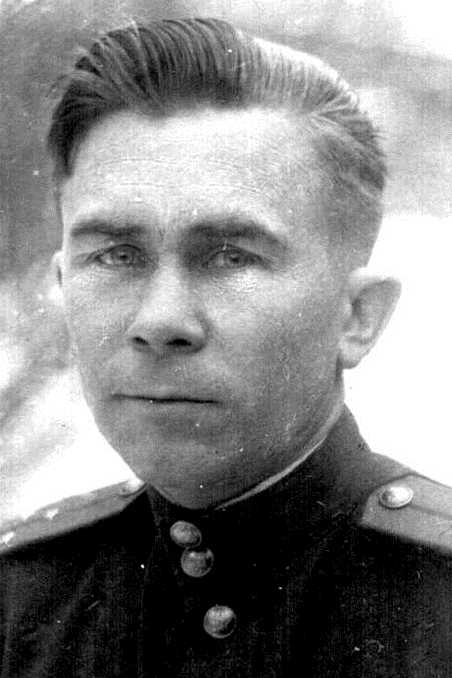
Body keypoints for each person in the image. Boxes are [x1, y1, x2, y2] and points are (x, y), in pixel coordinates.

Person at [1, 17, 452, 678]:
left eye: (230, 256)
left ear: (358, 316)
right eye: (117, 255)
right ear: (64, 286)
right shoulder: (20, 602)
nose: (160, 321)